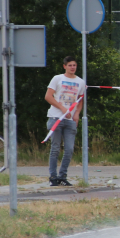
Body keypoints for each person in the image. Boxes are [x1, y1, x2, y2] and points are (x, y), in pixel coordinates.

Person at [45, 56, 86, 187]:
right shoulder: (57, 79)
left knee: (69, 149)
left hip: (70, 120)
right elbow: (48, 96)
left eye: (74, 65)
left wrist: (77, 114)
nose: (72, 67)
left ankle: (63, 176)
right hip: (56, 117)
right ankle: (53, 176)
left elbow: (80, 100)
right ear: (65, 66)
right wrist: (62, 108)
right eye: (70, 65)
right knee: (55, 148)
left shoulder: (80, 82)